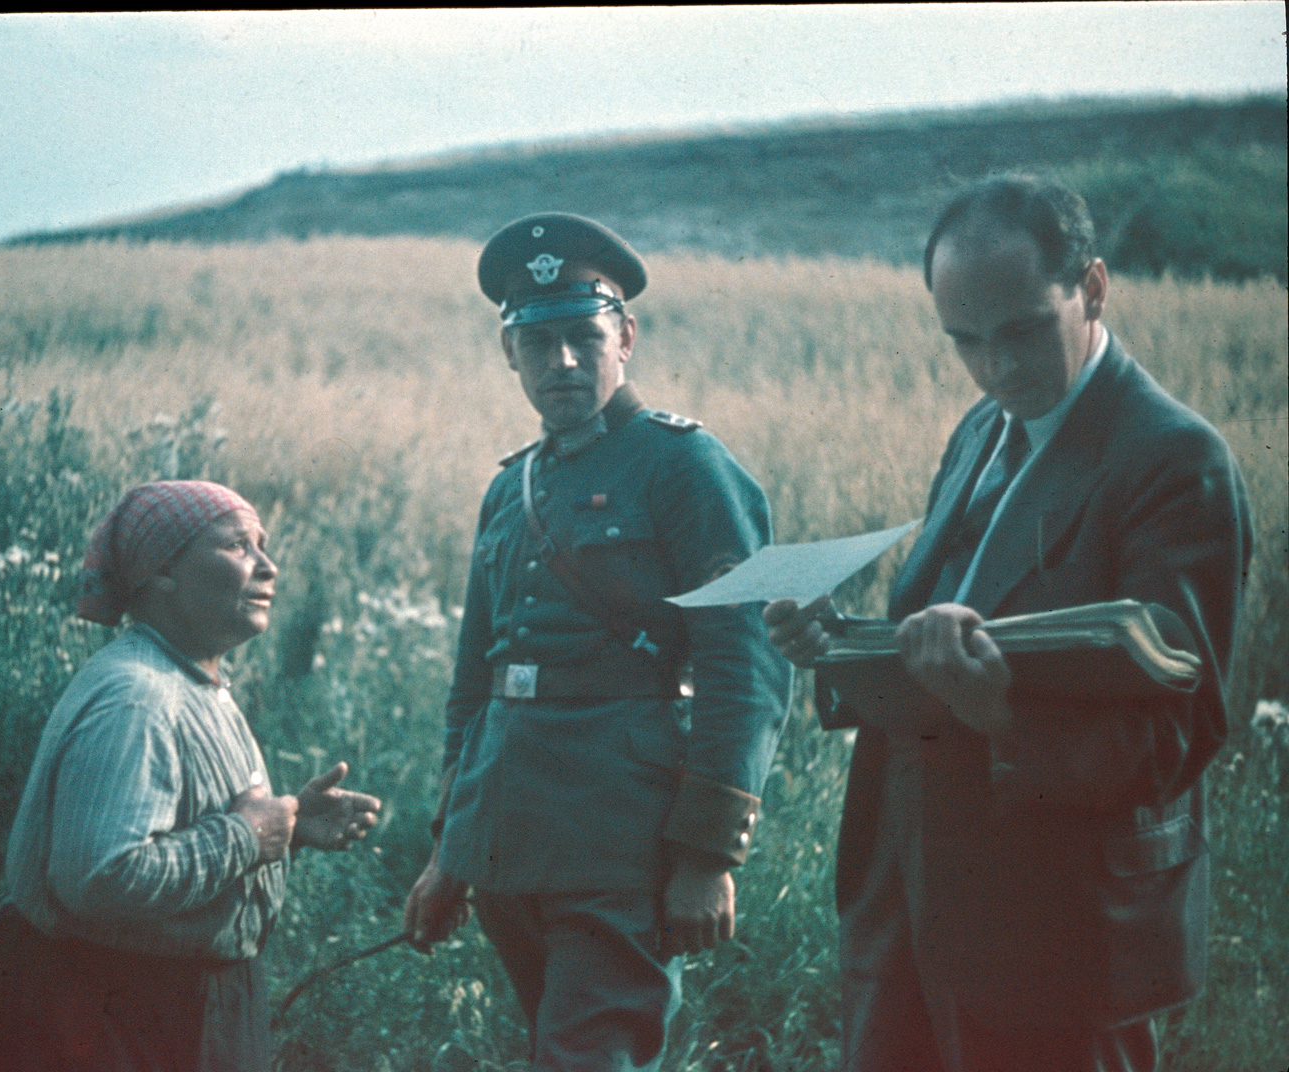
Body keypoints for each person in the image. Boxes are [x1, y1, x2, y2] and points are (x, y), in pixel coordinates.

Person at [764, 176, 1253, 1072]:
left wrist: (1003, 717)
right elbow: (942, 639)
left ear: (1093, 289)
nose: (998, 368)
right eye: (967, 342)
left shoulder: (1176, 461)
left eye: (1023, 330)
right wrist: (836, 647)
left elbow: (1183, 734)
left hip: (1058, 939)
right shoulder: (979, 430)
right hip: (906, 910)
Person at [404, 213, 792, 1070]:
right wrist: (450, 850)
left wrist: (706, 854)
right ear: (510, 354)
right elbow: (477, 681)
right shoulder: (512, 489)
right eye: (538, 344)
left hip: (620, 840)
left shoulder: (684, 468)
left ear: (627, 337)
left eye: (584, 336)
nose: (564, 363)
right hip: (507, 836)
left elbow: (743, 660)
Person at [0, 481, 383, 1072]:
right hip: (122, 1016)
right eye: (239, 547)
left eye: (263, 546)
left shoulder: (189, 680)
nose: (268, 567)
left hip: (171, 1005)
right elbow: (99, 878)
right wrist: (244, 839)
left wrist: (285, 829)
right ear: (161, 575)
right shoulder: (138, 698)